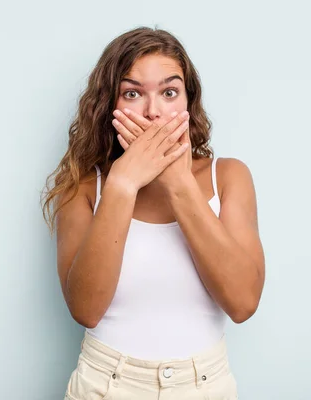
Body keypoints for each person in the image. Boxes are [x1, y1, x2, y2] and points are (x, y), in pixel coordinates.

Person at [41, 26, 265, 400]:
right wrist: (123, 184)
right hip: (105, 385)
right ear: (108, 105)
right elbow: (86, 309)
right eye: (132, 93)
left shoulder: (228, 176)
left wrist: (178, 184)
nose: (152, 111)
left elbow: (243, 303)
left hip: (204, 386)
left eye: (169, 92)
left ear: (188, 103)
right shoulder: (82, 188)